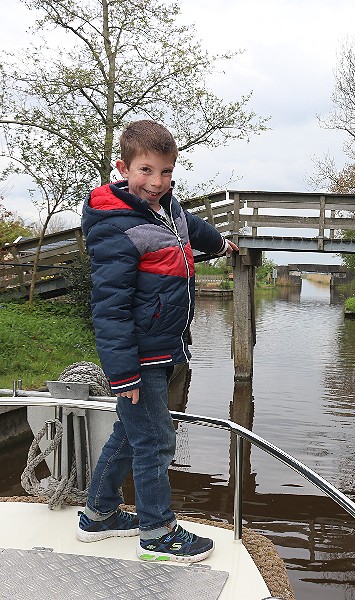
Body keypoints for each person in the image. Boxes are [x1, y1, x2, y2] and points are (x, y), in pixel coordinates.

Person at [75, 120, 238, 563]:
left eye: (166, 172)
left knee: (130, 436)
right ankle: (156, 531)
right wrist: (123, 372)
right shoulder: (115, 226)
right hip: (140, 356)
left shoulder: (167, 207)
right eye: (147, 171)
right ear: (123, 168)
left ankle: (99, 515)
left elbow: (194, 228)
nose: (157, 182)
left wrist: (222, 244)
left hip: (162, 345)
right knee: (156, 440)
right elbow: (110, 307)